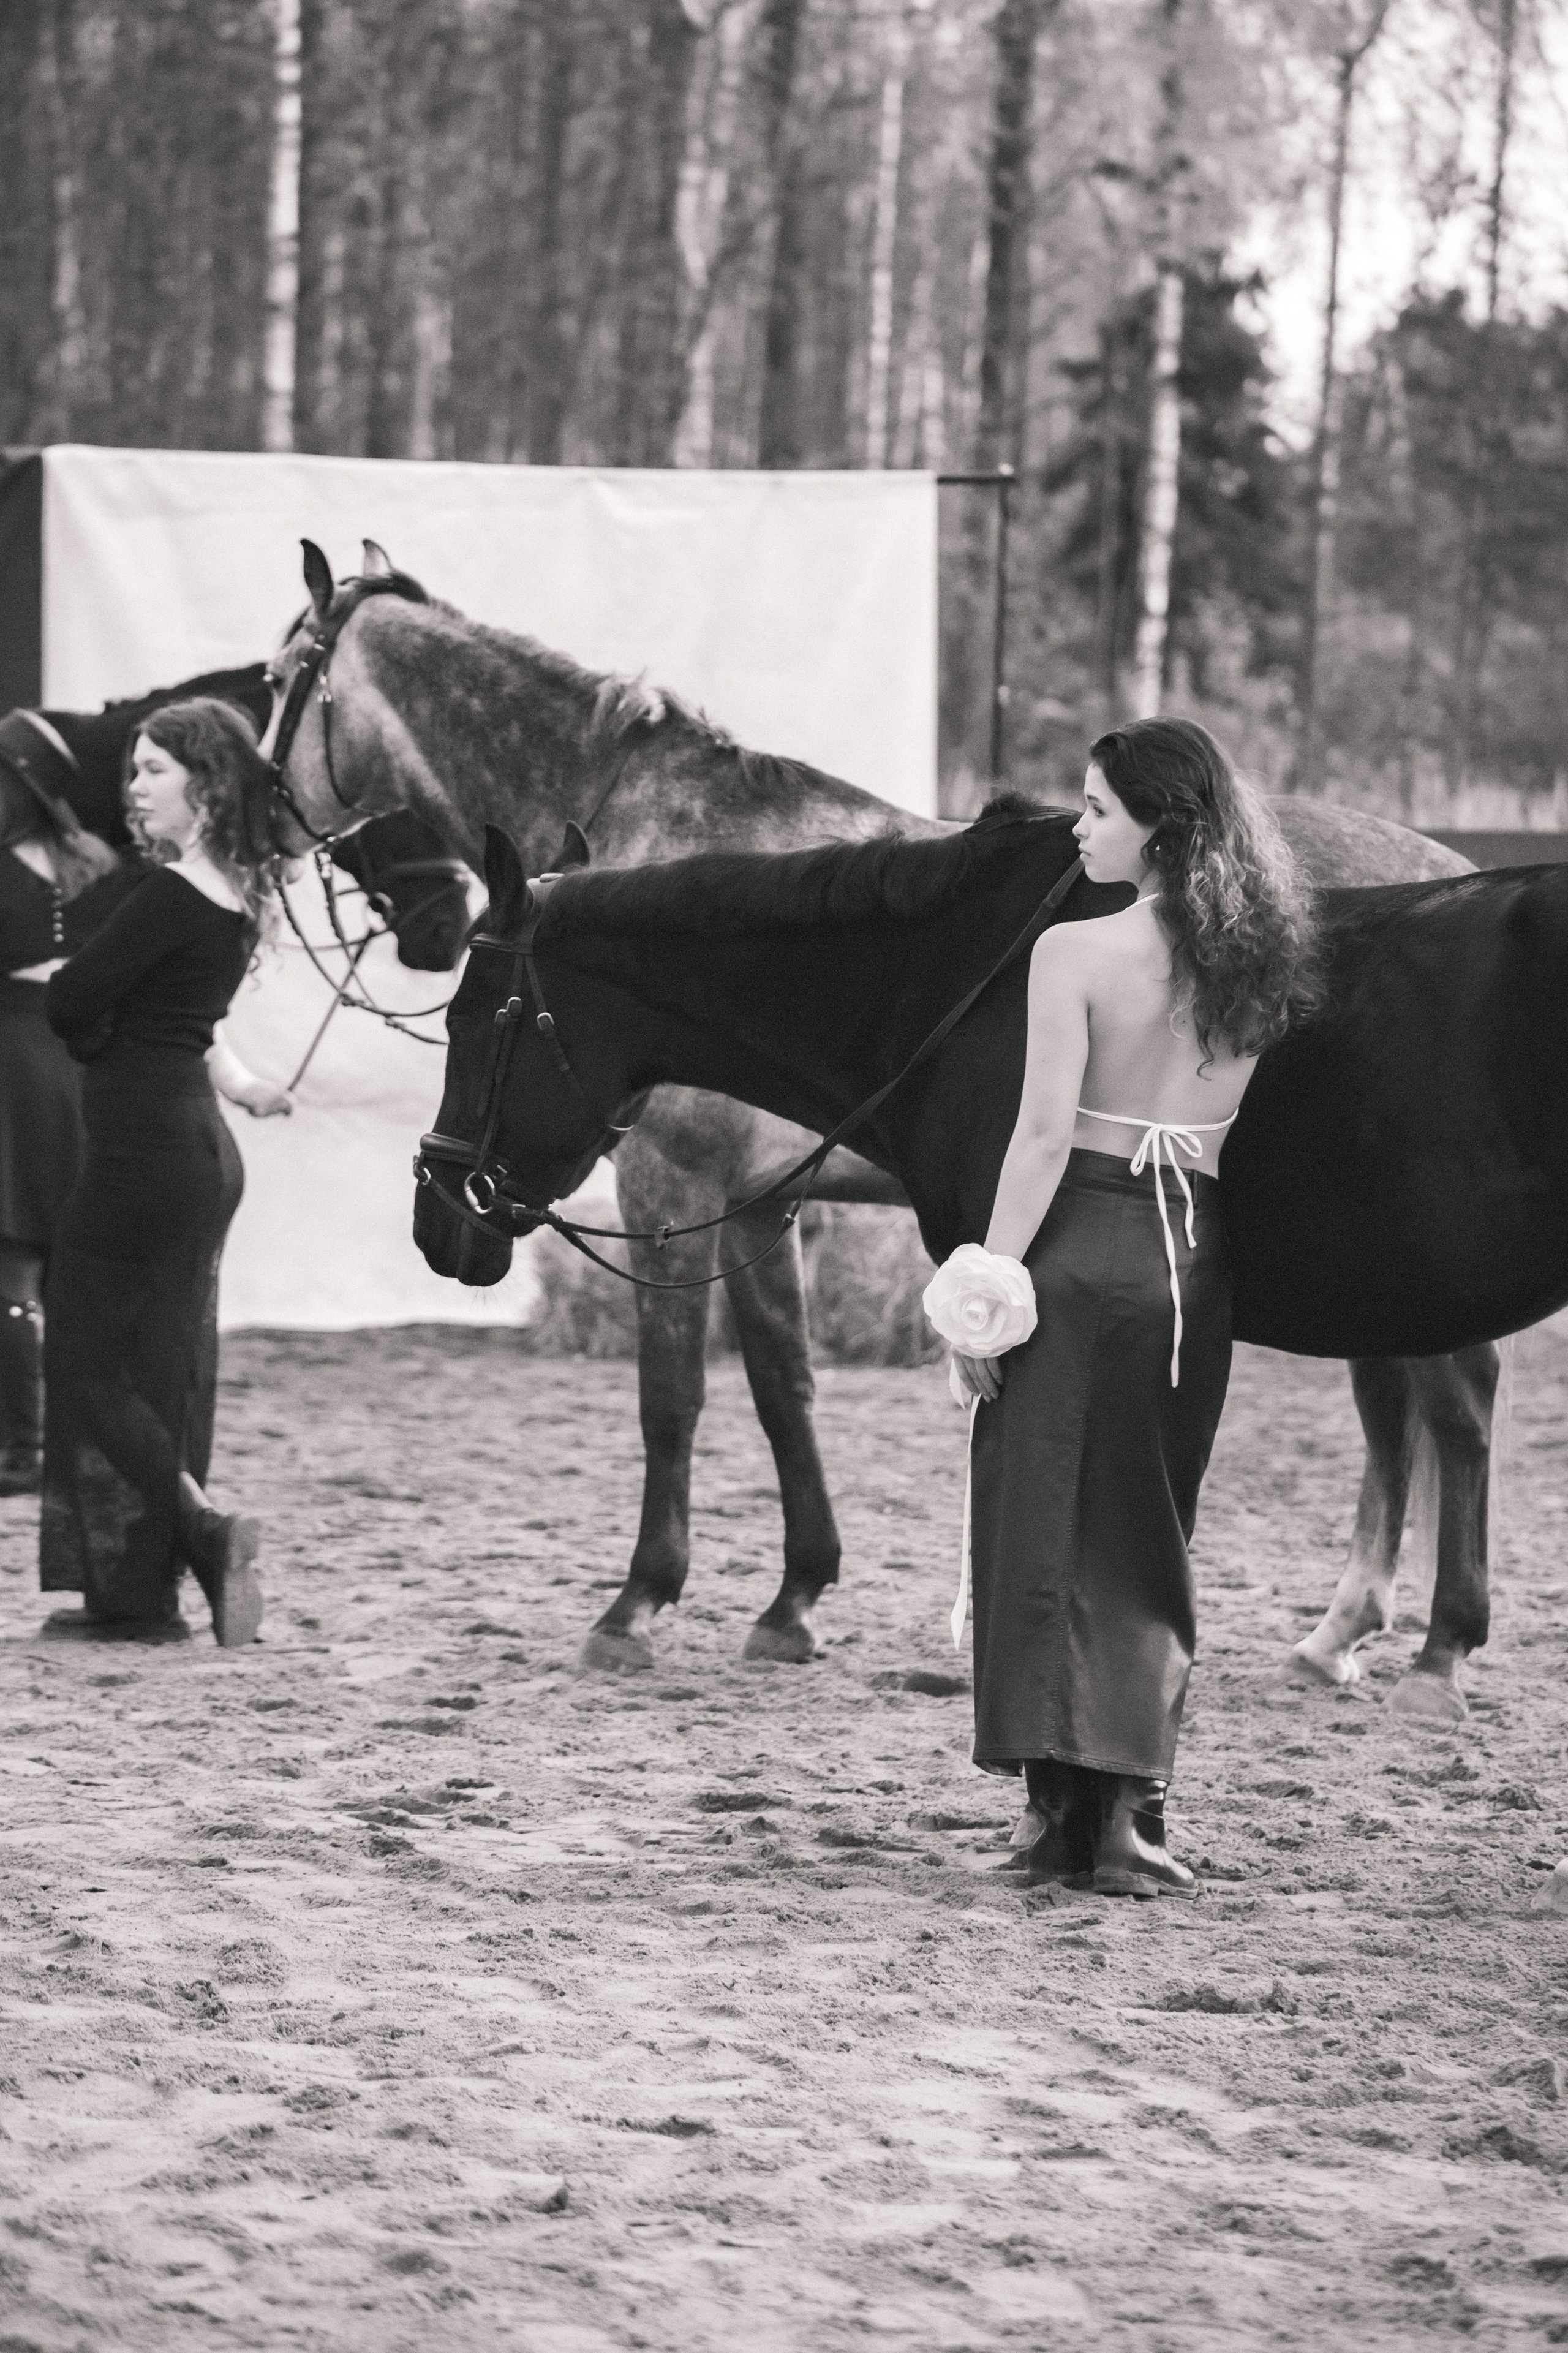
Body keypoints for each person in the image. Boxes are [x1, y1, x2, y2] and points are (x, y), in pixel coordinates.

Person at [932, 719, 1321, 1897]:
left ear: (1159, 828)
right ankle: (1131, 1823)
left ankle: (1051, 1818)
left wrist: (985, 1291)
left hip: (1073, 1244)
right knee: (1149, 1528)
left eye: (1098, 807)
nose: (1078, 825)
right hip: (1186, 1261)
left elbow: (1044, 1135)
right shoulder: (1257, 960)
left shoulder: (1073, 952)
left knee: (1036, 1520)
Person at [40, 698, 293, 1643]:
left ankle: (201, 1533)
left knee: (85, 1359)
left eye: (154, 771)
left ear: (209, 785)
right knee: (162, 1367)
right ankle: (142, 1600)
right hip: (194, 1148)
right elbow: (178, 1021)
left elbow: (73, 1002)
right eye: (133, 771)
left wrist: (90, 1023)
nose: (134, 788)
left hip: (142, 1153)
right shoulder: (236, 894)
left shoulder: (173, 893)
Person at [0, 712, 134, 1494]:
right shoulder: (101, 865)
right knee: (74, 1265)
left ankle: (22, 1449)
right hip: (83, 1065)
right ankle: (81, 1443)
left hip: (13, 1064)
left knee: (13, 1265)